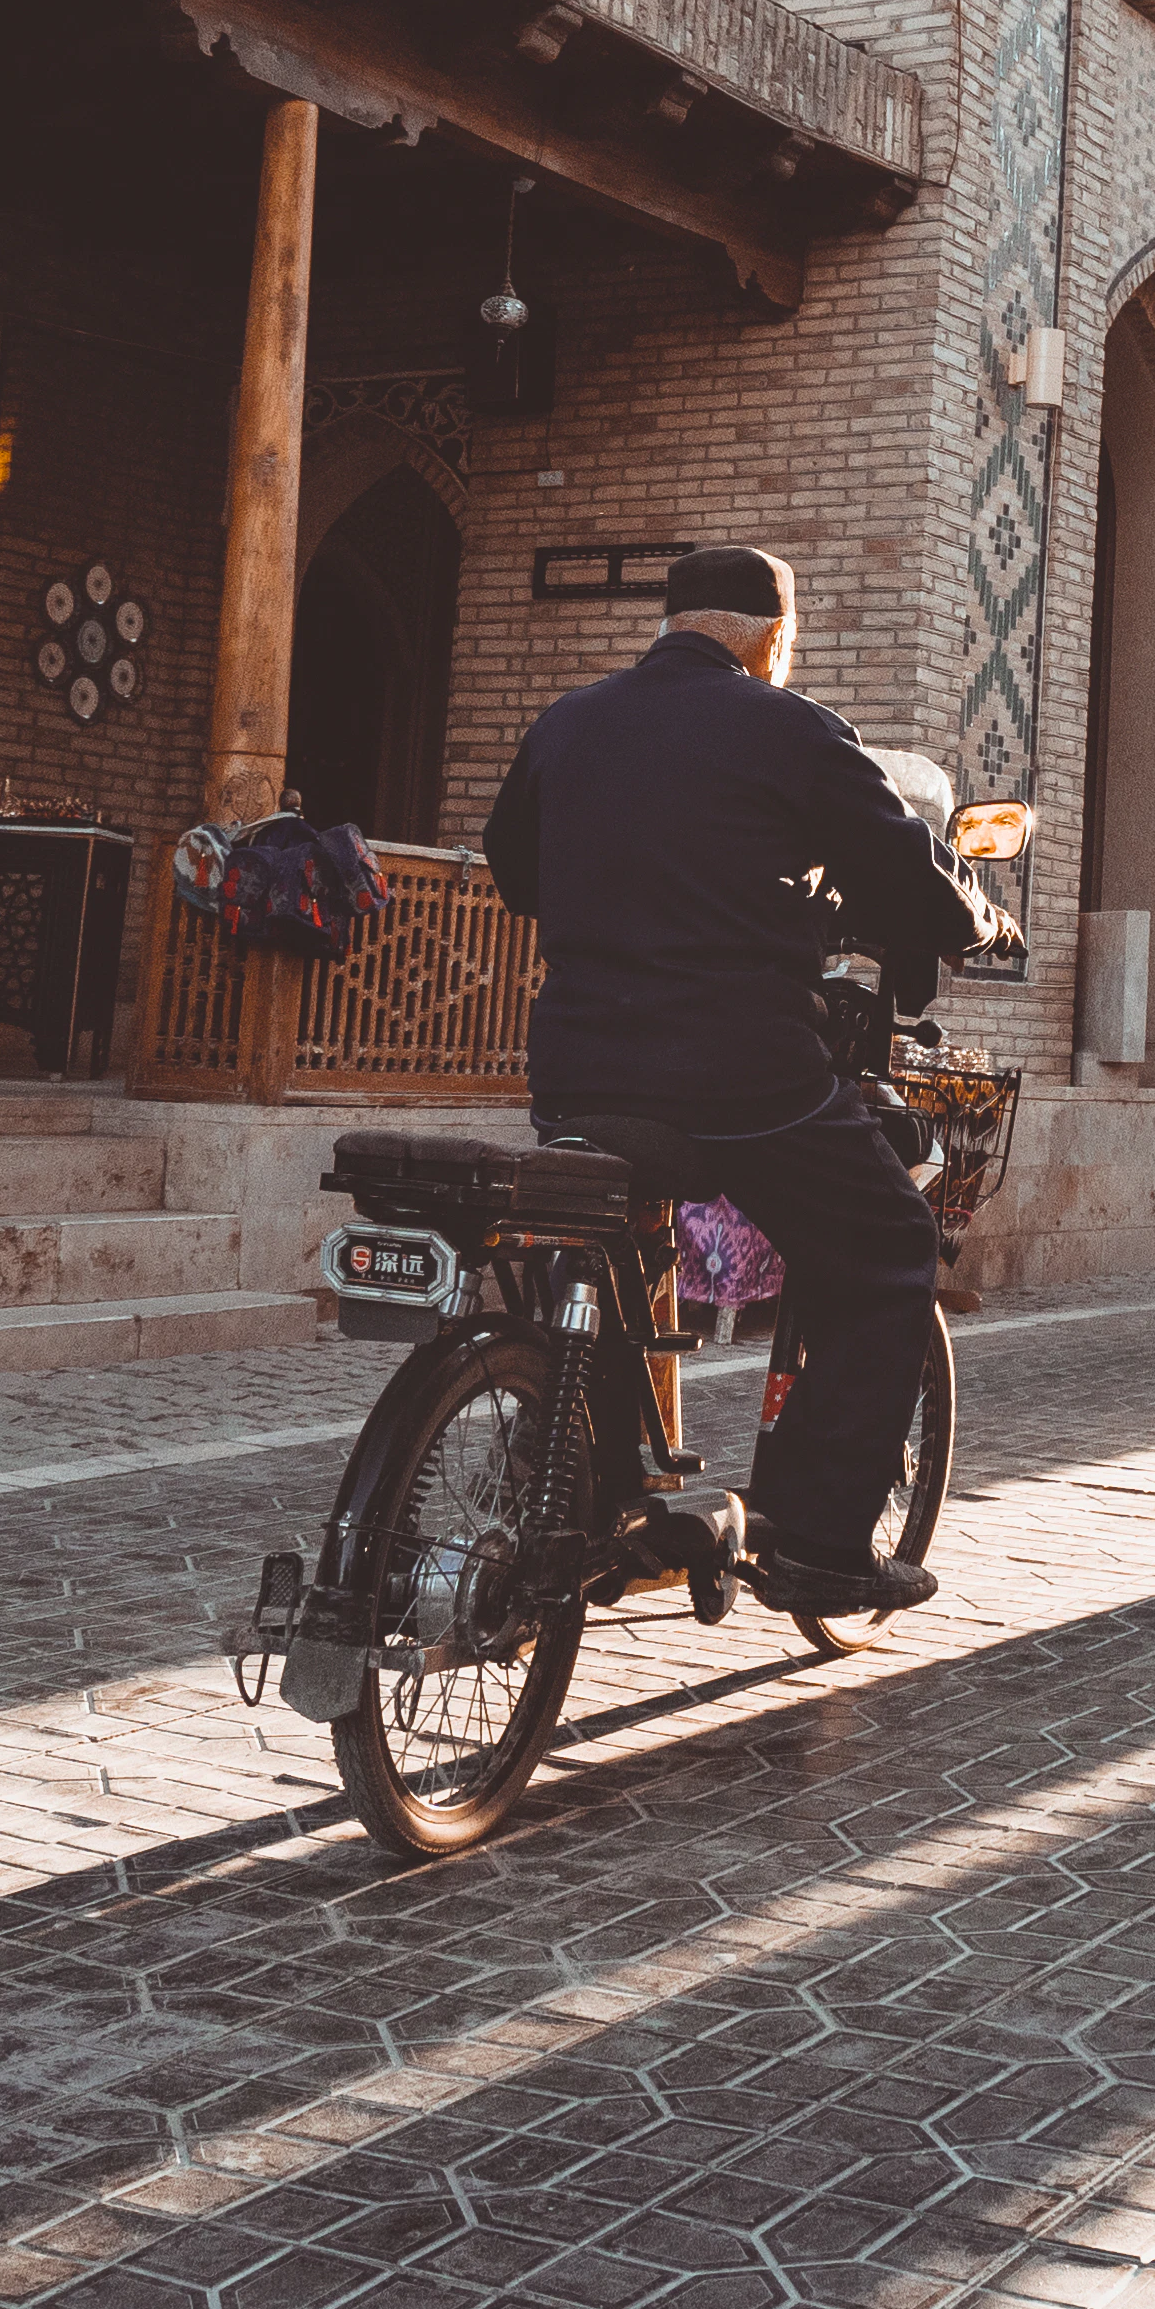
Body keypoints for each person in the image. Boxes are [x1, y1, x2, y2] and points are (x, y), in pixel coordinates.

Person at [476, 544, 979, 1617]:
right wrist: (976, 914)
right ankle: (819, 1537)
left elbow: (517, 869)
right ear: (772, 642)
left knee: (612, 1253)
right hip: (740, 1078)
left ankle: (594, 1486)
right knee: (888, 1243)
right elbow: (905, 869)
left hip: (575, 1070)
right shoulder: (788, 728)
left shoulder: (568, 722)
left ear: (670, 625)